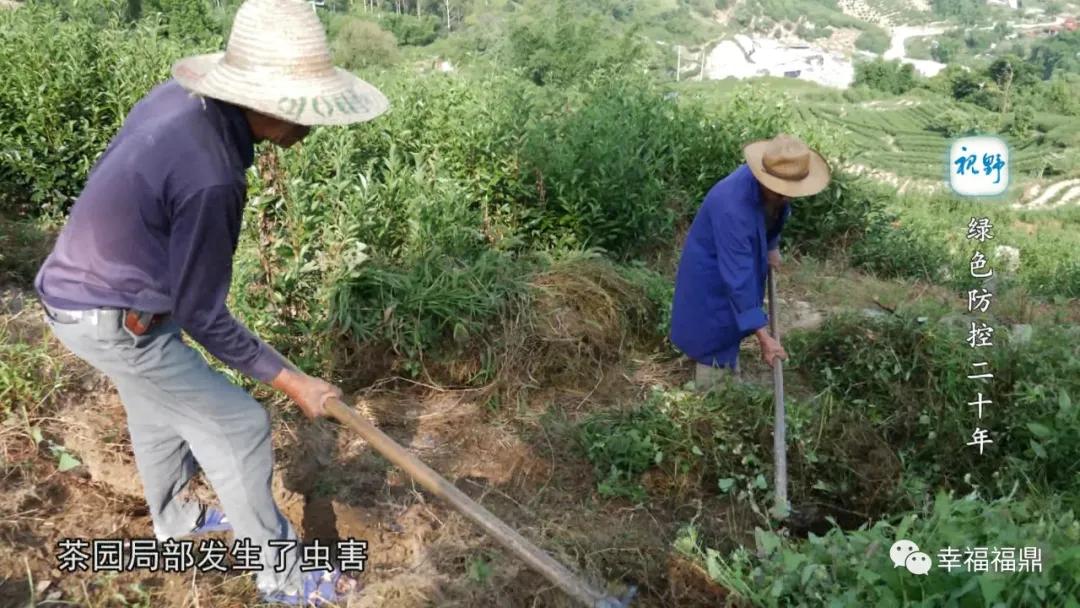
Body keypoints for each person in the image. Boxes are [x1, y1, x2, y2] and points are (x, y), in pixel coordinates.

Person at [33, 0, 388, 604]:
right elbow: (203, 314)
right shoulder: (213, 176)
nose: (312, 124)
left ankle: (174, 524)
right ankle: (286, 581)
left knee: (155, 409)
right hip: (108, 314)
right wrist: (295, 382)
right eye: (302, 108)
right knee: (240, 425)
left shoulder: (180, 101)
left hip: (90, 293)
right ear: (264, 101)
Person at [670, 134, 831, 391]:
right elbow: (739, 278)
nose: (788, 197)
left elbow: (776, 215)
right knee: (714, 328)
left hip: (735, 261)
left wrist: (771, 245)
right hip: (712, 271)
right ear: (764, 178)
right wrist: (764, 337)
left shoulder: (773, 193)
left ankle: (726, 373)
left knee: (732, 319)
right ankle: (713, 396)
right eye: (782, 192)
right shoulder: (732, 207)